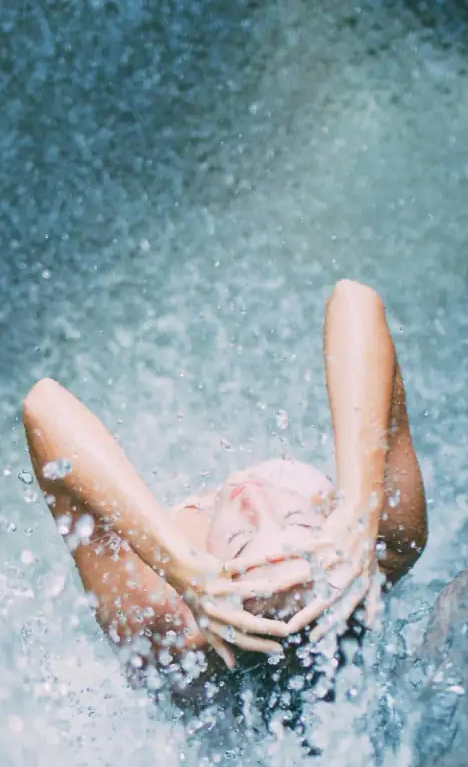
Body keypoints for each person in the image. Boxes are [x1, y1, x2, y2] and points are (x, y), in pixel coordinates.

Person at [21, 280, 427, 696]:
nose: (251, 496)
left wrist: (177, 565)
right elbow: (354, 299)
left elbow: (43, 405)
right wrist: (359, 504)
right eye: (296, 518)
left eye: (238, 539)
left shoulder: (162, 625)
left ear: (210, 597)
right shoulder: (381, 549)